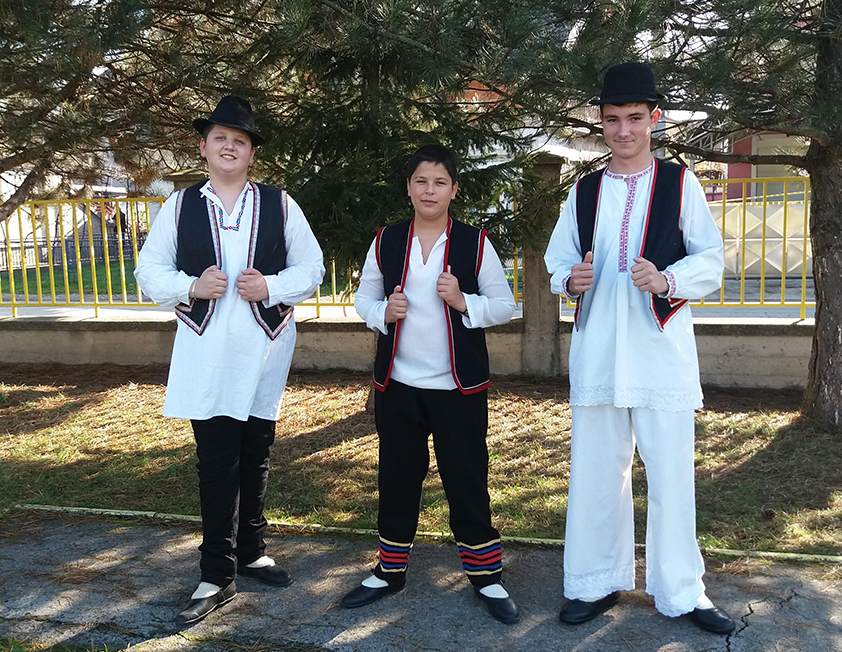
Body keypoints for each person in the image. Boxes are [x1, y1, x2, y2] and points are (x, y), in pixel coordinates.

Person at [543, 62, 734, 634]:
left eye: (634, 117)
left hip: (660, 351)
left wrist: (668, 279)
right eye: (612, 119)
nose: (623, 130)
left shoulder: (679, 183)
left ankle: (682, 591)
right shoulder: (583, 190)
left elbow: (710, 259)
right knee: (597, 472)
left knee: (671, 473)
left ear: (654, 118)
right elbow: (558, 258)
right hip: (599, 350)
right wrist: (568, 278)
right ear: (599, 122)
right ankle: (594, 582)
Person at [134, 95, 325, 628]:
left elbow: (312, 266)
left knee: (256, 452)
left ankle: (251, 551)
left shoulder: (280, 204)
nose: (229, 146)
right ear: (203, 146)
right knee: (217, 461)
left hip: (264, 349)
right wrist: (191, 286)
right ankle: (215, 573)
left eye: (239, 140)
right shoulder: (180, 206)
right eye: (220, 137)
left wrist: (272, 286)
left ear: (251, 153)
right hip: (207, 351)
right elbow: (149, 271)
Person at [343, 144, 519, 624]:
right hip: (398, 384)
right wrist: (383, 312)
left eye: (440, 182)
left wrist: (464, 302)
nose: (429, 190)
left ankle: (486, 576)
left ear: (454, 190)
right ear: (408, 187)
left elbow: (505, 305)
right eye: (421, 181)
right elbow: (363, 298)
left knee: (466, 478)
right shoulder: (386, 240)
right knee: (397, 477)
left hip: (458, 388)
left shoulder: (475, 243)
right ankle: (389, 571)